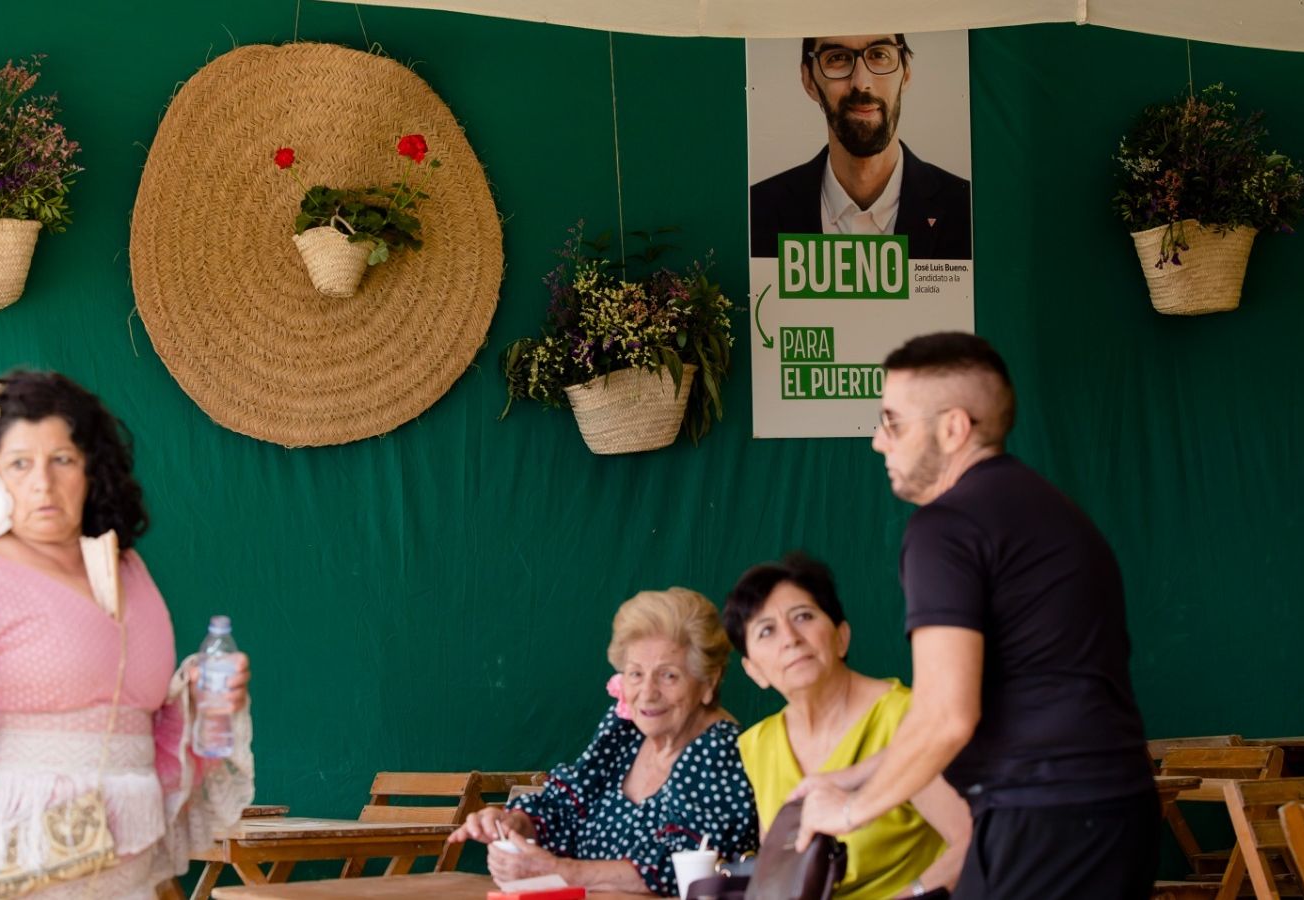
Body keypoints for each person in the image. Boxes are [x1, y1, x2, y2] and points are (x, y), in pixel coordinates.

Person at [0, 371, 255, 899]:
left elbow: (139, 724)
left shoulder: (127, 569)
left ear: (92, 467)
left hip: (124, 875)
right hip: (5, 876)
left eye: (62, 460)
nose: (42, 483)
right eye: (20, 464)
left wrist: (205, 697)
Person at [793, 333, 1157, 899]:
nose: (876, 441)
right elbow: (992, 702)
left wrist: (848, 811)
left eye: (893, 422)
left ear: (953, 428)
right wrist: (850, 775)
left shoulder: (947, 527)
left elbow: (946, 716)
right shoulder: (1056, 513)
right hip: (1113, 814)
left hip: (1042, 824)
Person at [448, 588, 758, 895]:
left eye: (668, 676)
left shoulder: (723, 753)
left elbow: (680, 867)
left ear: (709, 681)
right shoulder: (625, 730)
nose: (647, 693)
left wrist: (559, 871)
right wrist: (514, 825)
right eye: (636, 674)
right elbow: (566, 809)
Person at [724, 552, 969, 899]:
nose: (790, 638)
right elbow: (783, 875)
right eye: (766, 631)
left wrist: (911, 895)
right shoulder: (758, 744)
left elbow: (972, 846)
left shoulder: (906, 717)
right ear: (754, 671)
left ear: (841, 636)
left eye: (804, 616)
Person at [750, 34, 972, 260]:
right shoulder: (756, 212)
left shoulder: (969, 209)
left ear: (905, 73)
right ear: (809, 81)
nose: (861, 82)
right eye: (837, 57)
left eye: (879, 55)